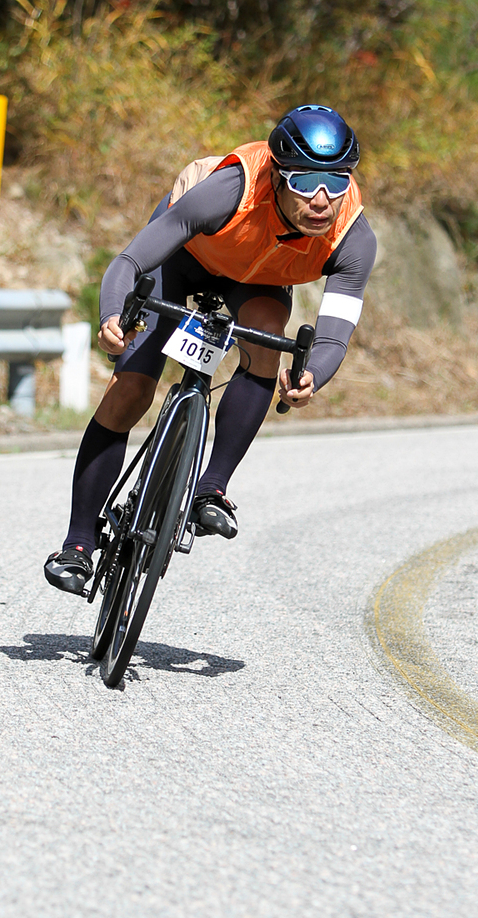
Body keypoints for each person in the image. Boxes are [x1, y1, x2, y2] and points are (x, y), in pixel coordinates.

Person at [44, 104, 377, 594]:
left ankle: (211, 487)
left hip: (256, 282)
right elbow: (129, 262)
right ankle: (77, 543)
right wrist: (112, 316)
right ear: (278, 176)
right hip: (180, 261)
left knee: (268, 337)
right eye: (306, 182)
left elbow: (332, 335)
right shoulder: (230, 190)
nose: (322, 200)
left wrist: (313, 375)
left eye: (336, 181)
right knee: (131, 390)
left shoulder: (353, 237)